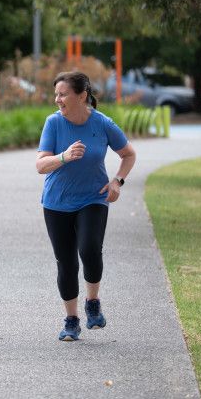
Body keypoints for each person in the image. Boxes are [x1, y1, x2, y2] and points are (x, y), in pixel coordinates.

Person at [36, 71, 136, 341]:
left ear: (82, 96)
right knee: (66, 263)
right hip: (56, 203)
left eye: (63, 94)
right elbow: (40, 165)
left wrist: (117, 182)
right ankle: (71, 319)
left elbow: (128, 154)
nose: (57, 99)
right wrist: (64, 156)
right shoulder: (53, 123)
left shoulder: (102, 124)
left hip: (93, 198)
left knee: (90, 249)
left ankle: (93, 302)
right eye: (56, 94)